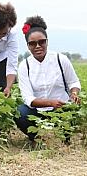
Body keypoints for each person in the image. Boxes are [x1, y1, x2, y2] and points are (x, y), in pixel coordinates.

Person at [16, 15, 81, 144]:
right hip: (37, 112)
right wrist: (49, 103)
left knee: (73, 110)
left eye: (42, 42)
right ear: (28, 46)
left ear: (47, 41)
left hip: (61, 109)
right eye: (32, 43)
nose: (38, 46)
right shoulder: (25, 66)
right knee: (20, 112)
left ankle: (65, 137)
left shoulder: (60, 59)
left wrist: (74, 94)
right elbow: (28, 98)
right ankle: (36, 138)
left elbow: (73, 82)